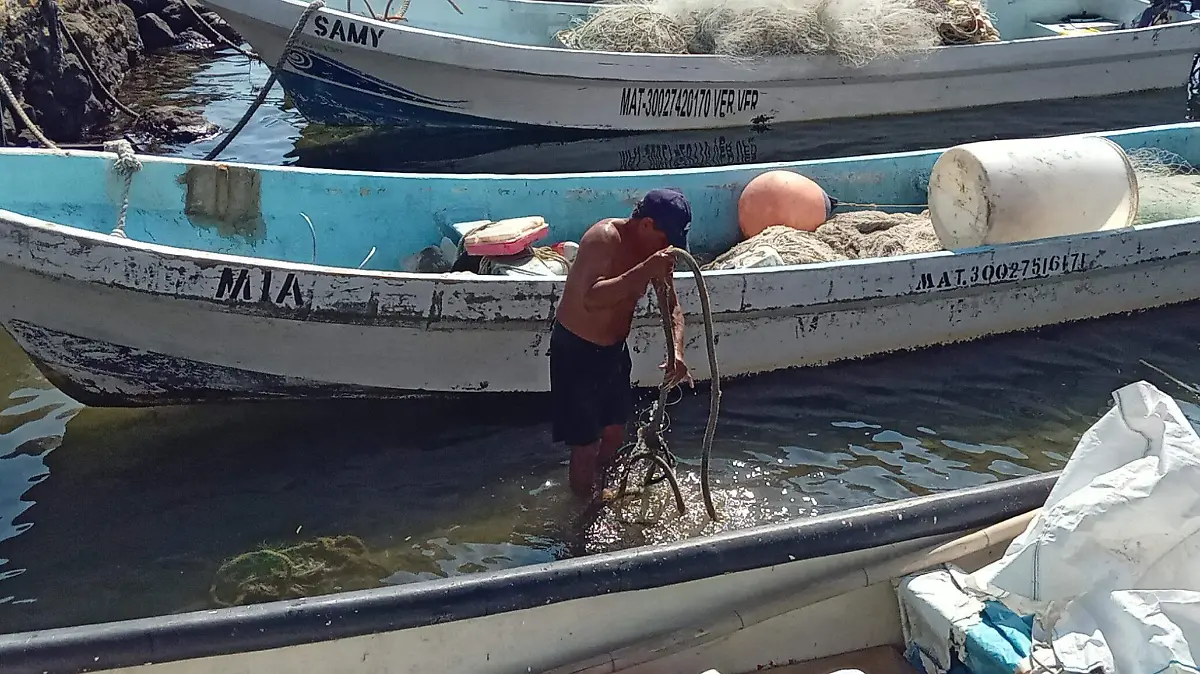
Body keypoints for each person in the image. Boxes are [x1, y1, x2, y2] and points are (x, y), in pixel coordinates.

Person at [549, 188, 695, 499]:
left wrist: (677, 353)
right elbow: (591, 297)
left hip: (613, 352)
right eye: (664, 236)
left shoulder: (655, 252)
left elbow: (671, 305)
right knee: (585, 444)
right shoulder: (603, 238)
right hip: (576, 349)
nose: (667, 246)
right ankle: (581, 513)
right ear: (646, 225)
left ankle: (603, 492)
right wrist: (645, 270)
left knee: (615, 432)